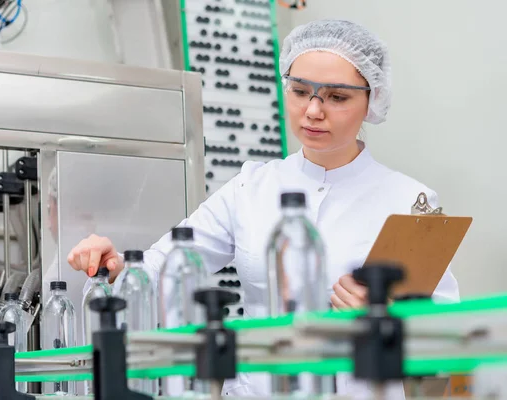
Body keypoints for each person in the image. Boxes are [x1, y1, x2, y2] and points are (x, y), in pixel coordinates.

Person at [67, 19, 459, 398]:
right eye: (300, 91)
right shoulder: (250, 187)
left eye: (337, 97)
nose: (313, 111)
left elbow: (447, 332)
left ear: (371, 99)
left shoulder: (410, 202)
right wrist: (115, 268)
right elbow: (163, 266)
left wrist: (389, 319)